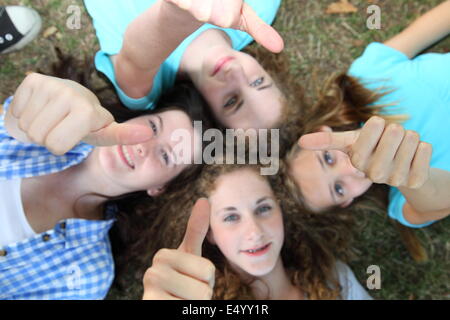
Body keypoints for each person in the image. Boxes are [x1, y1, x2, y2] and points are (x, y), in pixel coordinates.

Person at [0, 72, 213, 299]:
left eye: (165, 155)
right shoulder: (56, 117)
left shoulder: (87, 276)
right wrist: (28, 112)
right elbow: (13, 122)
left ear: (159, 188)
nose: (143, 145)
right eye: (153, 126)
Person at [284, 1, 450, 228]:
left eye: (328, 158)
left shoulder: (366, 77)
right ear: (347, 202)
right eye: (339, 188)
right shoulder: (404, 202)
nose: (352, 167)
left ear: (321, 133)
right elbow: (440, 203)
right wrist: (404, 174)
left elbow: (431, 27)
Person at [141, 162, 371, 300]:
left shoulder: (336, 279)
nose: (254, 231)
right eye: (231, 217)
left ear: (281, 211)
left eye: (263, 208)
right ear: (210, 234)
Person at [83, 0, 295, 130]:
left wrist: (179, 13)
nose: (236, 74)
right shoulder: (259, 10)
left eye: (231, 101)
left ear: (206, 114)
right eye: (258, 81)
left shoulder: (146, 92)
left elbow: (136, 54)